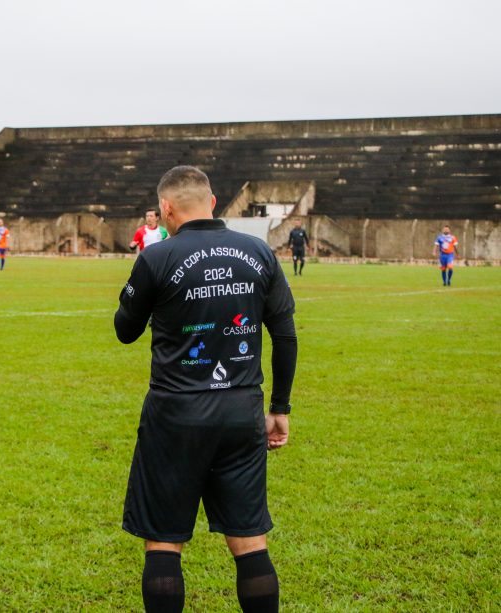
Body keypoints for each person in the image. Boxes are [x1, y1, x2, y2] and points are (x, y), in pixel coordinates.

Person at [114, 166, 297, 613]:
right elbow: (286, 335)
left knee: (163, 542)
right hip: (242, 411)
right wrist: (280, 407)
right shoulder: (258, 251)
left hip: (175, 414)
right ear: (212, 202)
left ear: (166, 209)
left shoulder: (157, 257)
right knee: (250, 541)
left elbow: (125, 330)